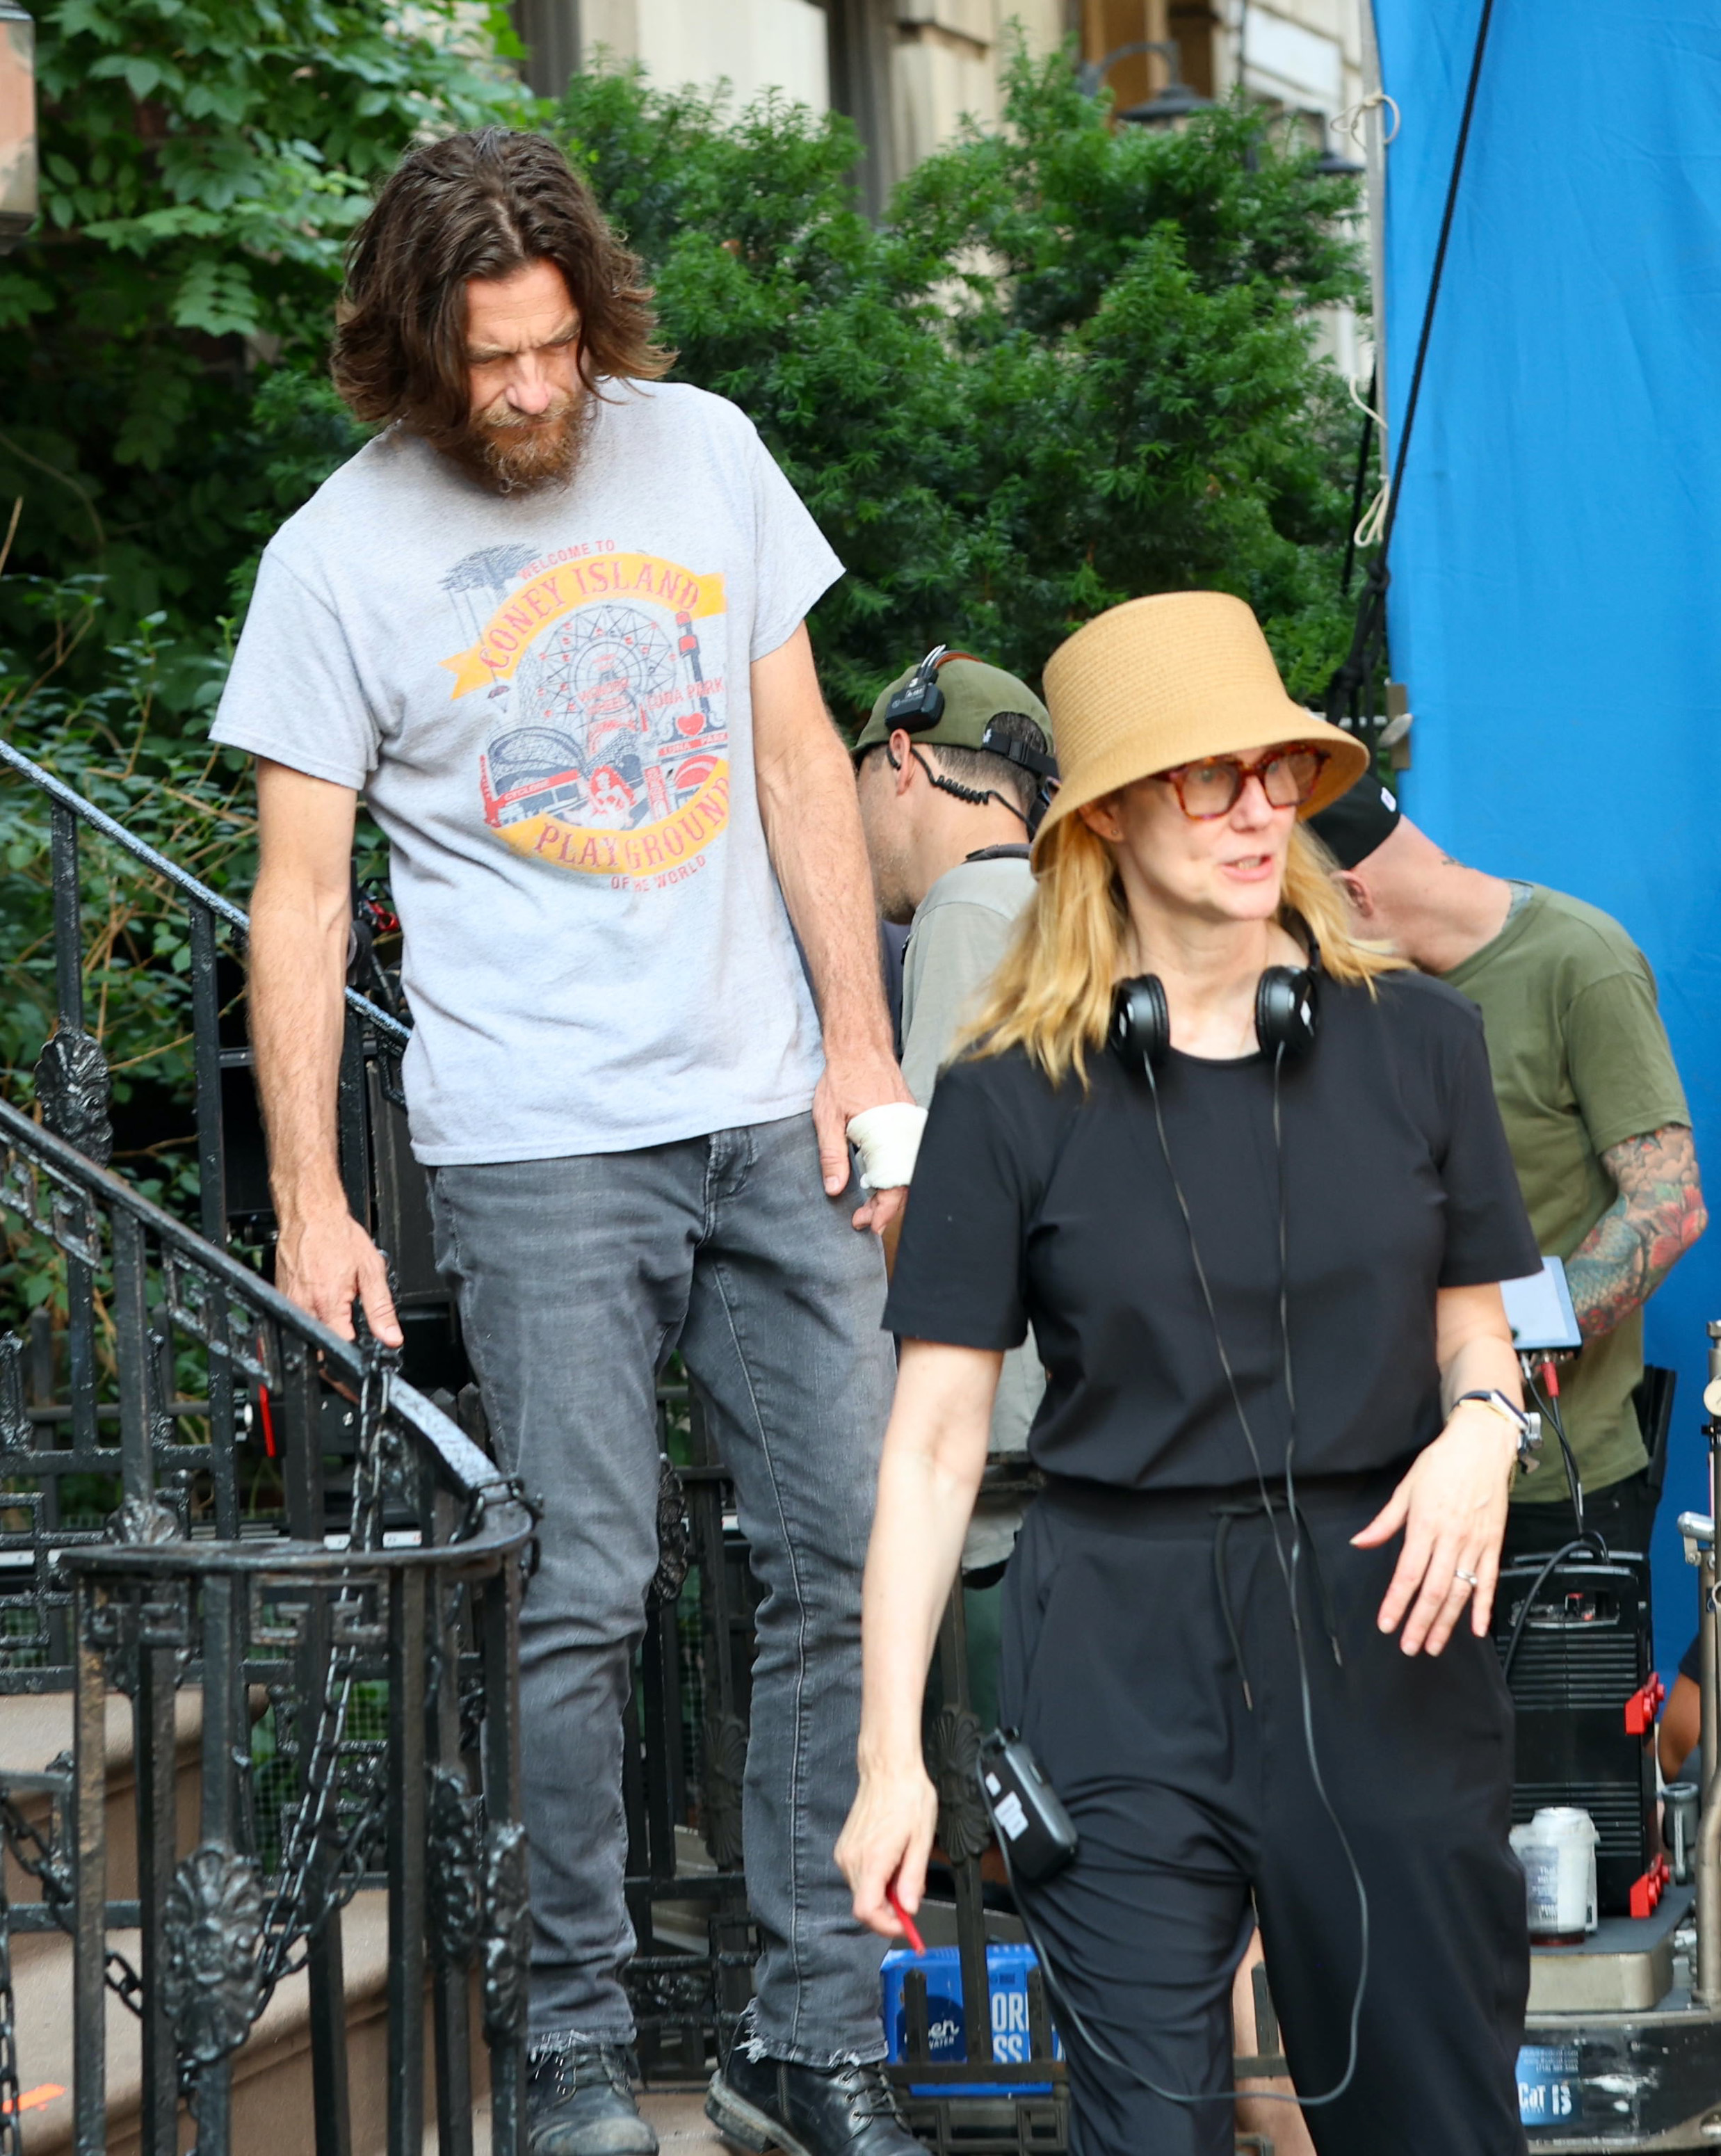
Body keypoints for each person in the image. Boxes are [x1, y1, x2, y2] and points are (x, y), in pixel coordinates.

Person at [211, 127, 923, 2156]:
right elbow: (293, 892)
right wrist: (315, 1200)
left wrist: (859, 1049)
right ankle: (581, 2060)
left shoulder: (701, 449)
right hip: (538, 1145)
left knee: (848, 1552)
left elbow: (797, 756)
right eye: (487, 362)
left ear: (590, 315)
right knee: (589, 1584)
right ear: (411, 350)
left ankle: (809, 2030)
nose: (528, 393)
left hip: (761, 1105)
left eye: (550, 350)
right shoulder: (338, 555)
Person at [836, 591, 1543, 2156]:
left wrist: (1481, 1433)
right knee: (1146, 2130)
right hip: (1117, 1648)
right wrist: (891, 1754)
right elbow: (933, 1444)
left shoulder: (1418, 1042)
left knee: (1431, 2112)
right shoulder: (1006, 1096)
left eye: (1275, 773)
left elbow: (1474, 1327)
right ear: (1102, 816)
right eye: (1201, 775)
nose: (1253, 808)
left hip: (1385, 1615)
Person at [1309, 780, 1706, 1562]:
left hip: (1552, 1483)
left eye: (1303, 916)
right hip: (1379, 1473)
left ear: (1353, 894)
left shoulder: (1579, 960)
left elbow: (1668, 1209)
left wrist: (1494, 1351)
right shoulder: (1359, 990)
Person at [853, 652, 1053, 1657]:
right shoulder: (1056, 904)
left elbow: (928, 1197)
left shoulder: (966, 912)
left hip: (1009, 1470)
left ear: (900, 760)